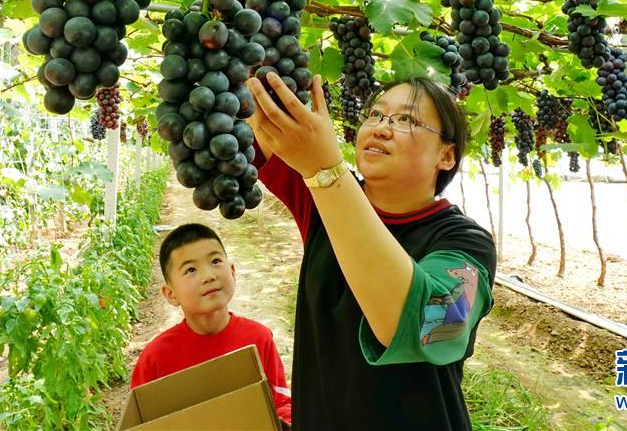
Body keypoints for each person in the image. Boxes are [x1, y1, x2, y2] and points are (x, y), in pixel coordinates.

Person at [247, 73, 497, 430]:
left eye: (406, 119)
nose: (381, 128)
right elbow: (260, 120)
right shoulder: (322, 199)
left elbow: (429, 326)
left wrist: (326, 172)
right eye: (376, 115)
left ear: (446, 155)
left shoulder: (467, 244)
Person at [130, 223, 292, 426]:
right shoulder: (155, 358)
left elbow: (280, 403)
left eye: (215, 261)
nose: (208, 276)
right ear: (171, 294)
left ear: (232, 271)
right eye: (190, 270)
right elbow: (141, 422)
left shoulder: (258, 338)